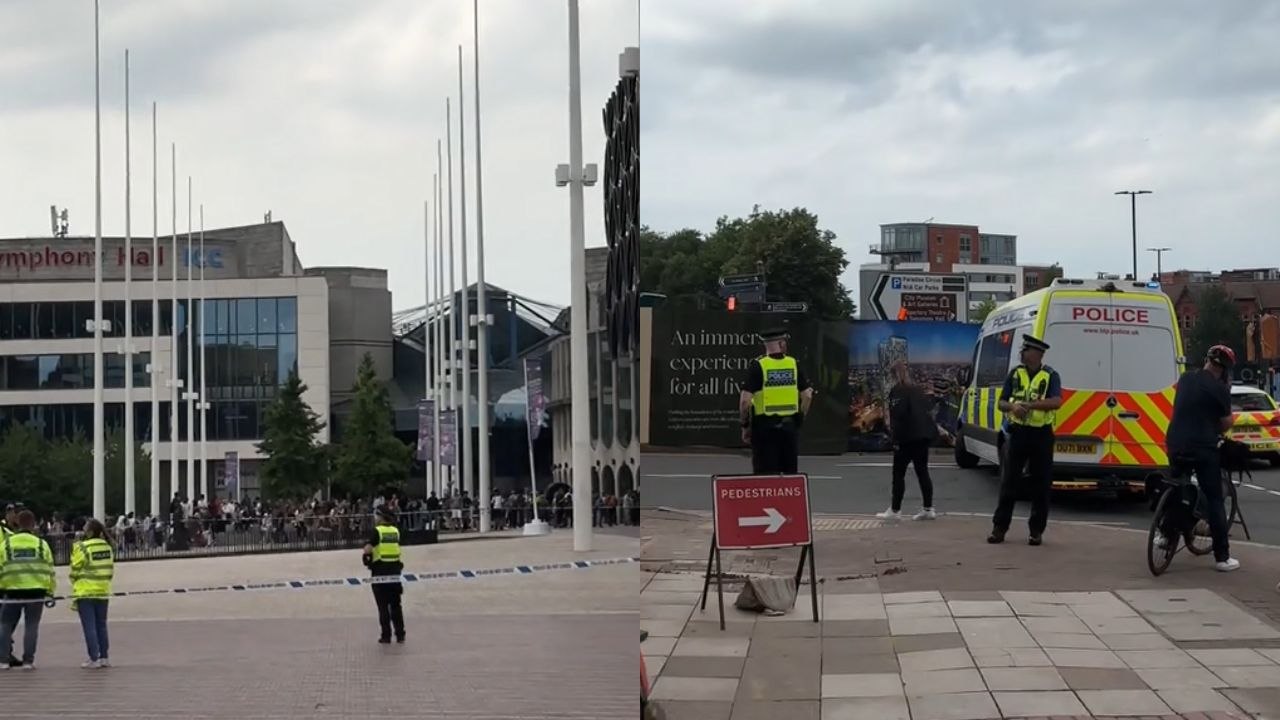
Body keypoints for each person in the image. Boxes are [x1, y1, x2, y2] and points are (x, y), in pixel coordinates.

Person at [1164, 344, 1240, 572]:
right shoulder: (1220, 390)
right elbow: (1226, 423)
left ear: (1207, 360)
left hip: (1175, 442)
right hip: (1202, 447)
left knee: (1177, 486)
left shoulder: (1186, 378)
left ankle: (1164, 535)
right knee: (1214, 498)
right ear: (1225, 370)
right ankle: (1222, 557)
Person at [988, 335, 1063, 546]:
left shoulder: (1050, 376)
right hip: (1018, 432)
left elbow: (1057, 401)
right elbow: (1001, 402)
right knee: (1009, 482)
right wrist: (1013, 407)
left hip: (1042, 434)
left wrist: (1030, 406)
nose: (1022, 353)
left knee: (1041, 484)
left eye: (1026, 350)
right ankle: (999, 528)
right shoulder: (1014, 373)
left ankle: (1036, 531)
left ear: (1037, 354)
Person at [739, 328, 816, 474]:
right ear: (781, 343)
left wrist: (745, 425)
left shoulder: (758, 365)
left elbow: (745, 401)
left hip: (764, 428)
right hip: (789, 426)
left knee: (765, 473)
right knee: (789, 474)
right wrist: (801, 416)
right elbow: (807, 395)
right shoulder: (793, 364)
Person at [877, 361, 938, 521]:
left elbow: (897, 417)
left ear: (893, 375)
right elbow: (928, 410)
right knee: (922, 471)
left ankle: (895, 510)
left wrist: (895, 439)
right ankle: (928, 508)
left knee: (898, 474)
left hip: (906, 437)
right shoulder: (918, 390)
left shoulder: (896, 391)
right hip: (923, 436)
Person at [0, 509, 56, 671]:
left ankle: (3, 660)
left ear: (18, 523)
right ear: (33, 524)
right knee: (31, 626)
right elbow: (49, 570)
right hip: (36, 592)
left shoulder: (7, 544)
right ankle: (28, 661)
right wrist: (49, 592)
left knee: (5, 625)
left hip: (12, 590)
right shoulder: (41, 544)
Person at [70, 518, 114, 668]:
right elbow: (109, 569)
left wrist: (74, 580)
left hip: (85, 591)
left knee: (89, 626)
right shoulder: (107, 547)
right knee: (101, 625)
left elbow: (75, 568)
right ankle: (104, 657)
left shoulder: (82, 547)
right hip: (103, 590)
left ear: (89, 531)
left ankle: (93, 658)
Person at [362, 506, 405, 644]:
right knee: (396, 605)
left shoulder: (377, 531)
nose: (375, 518)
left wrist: (366, 557)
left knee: (383, 606)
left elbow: (368, 548)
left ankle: (386, 636)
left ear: (381, 517)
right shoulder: (395, 531)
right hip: (395, 571)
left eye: (376, 516)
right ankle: (400, 634)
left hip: (380, 571)